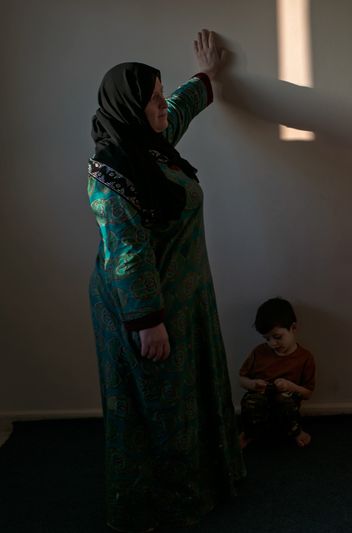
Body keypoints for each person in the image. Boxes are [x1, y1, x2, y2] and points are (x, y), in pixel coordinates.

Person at [87, 30, 245, 532]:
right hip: (144, 307)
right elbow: (127, 253)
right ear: (131, 107)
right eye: (152, 98)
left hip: (184, 294)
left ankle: (205, 482)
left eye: (158, 95)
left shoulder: (150, 148)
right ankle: (161, 505)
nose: (160, 105)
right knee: (159, 401)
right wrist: (148, 321)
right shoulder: (112, 171)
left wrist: (206, 76)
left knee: (185, 391)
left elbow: (177, 111)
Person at [239, 298, 316, 448]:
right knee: (251, 401)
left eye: (277, 337)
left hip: (285, 402)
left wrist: (291, 386)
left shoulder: (305, 357)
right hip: (261, 398)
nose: (272, 343)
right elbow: (241, 379)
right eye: (267, 339)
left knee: (284, 400)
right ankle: (249, 433)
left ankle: (295, 431)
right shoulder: (259, 352)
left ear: (293, 328)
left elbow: (308, 393)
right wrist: (253, 384)